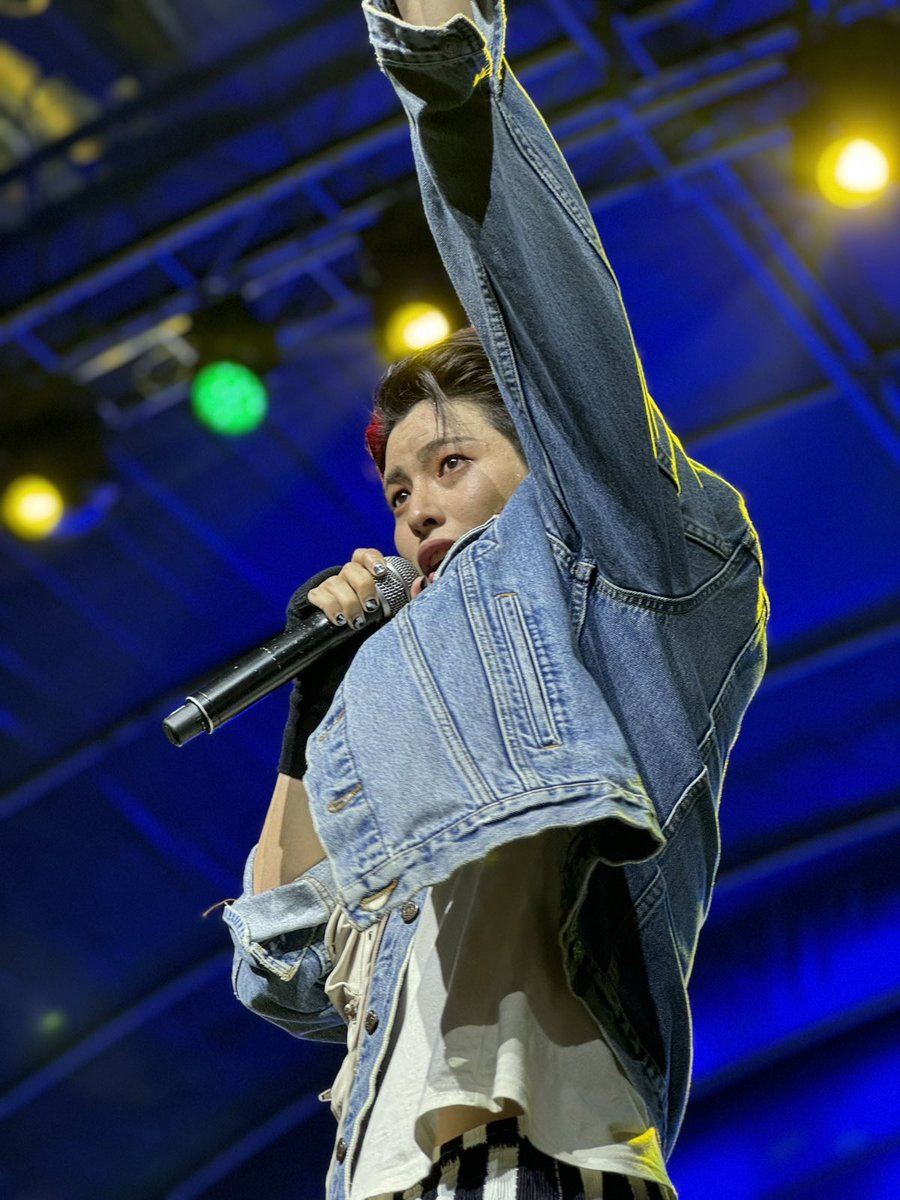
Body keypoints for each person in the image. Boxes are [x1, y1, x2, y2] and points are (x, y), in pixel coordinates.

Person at [221, 2, 769, 1198]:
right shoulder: (398, 711)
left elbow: (543, 310)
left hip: (537, 1152)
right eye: (397, 485)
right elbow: (284, 969)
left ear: (551, 465)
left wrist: (441, 64)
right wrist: (315, 700)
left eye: (452, 463)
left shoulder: (623, 571)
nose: (413, 506)